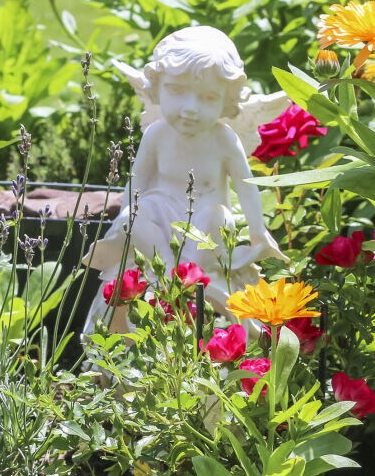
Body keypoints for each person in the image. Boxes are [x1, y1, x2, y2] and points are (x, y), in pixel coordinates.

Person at [85, 25, 286, 332]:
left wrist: (258, 231)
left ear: (227, 102)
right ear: (156, 89)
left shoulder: (223, 140)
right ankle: (168, 274)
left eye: (208, 97)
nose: (191, 108)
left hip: (204, 224)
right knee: (134, 216)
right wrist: (126, 218)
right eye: (177, 91)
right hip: (160, 217)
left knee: (216, 216)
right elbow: (137, 181)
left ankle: (186, 277)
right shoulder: (157, 134)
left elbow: (246, 187)